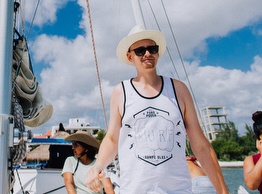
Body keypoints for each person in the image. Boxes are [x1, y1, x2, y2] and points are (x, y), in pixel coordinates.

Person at [85, 26, 228, 194]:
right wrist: (98, 165)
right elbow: (112, 139)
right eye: (140, 50)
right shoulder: (121, 92)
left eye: (152, 48)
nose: (147, 54)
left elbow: (201, 145)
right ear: (130, 56)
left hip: (178, 190)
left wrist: (223, 191)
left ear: (158, 53)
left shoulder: (179, 90)